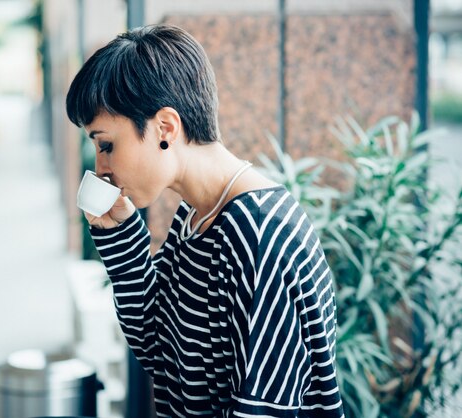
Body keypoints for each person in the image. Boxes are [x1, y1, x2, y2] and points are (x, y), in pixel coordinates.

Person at [66, 25, 344, 417]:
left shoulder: (260, 234)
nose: (102, 169)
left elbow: (261, 411)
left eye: (106, 145)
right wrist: (122, 240)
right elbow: (161, 352)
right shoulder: (196, 215)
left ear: (165, 128)